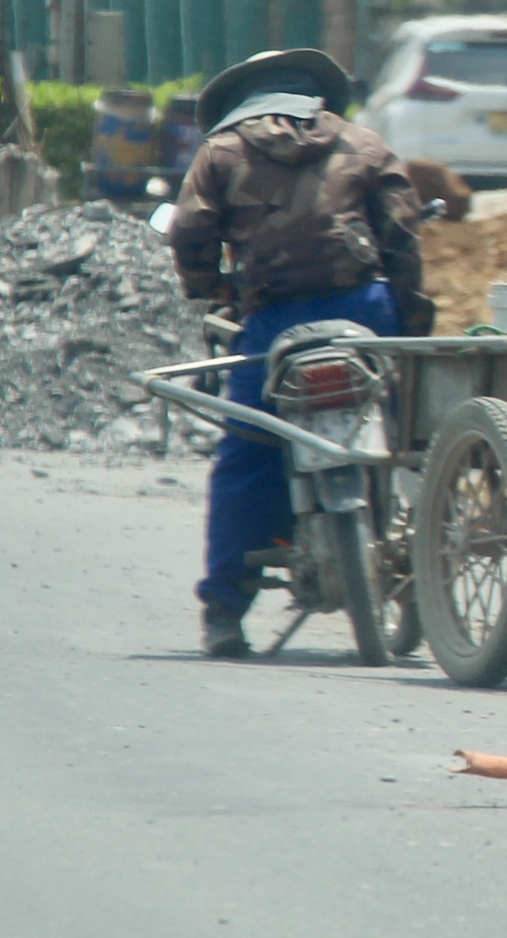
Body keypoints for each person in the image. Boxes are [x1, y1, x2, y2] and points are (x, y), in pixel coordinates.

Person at [170, 49, 436, 659]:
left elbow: (189, 234)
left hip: (274, 324)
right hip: (366, 315)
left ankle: (224, 610)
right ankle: (412, 559)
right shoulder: (365, 145)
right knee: (398, 433)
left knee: (249, 452)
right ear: (313, 96)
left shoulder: (221, 151)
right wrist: (411, 323)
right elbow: (403, 238)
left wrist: (212, 288)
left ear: (244, 101)